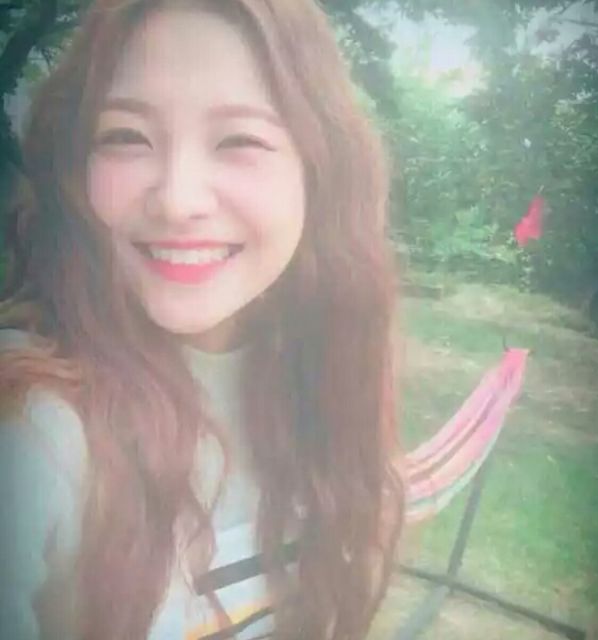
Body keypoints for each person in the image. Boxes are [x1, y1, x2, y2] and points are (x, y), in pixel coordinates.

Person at [0, 1, 405, 638]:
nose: (178, 199)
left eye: (240, 140)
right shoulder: (32, 423)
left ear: (319, 172)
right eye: (126, 137)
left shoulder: (325, 379)